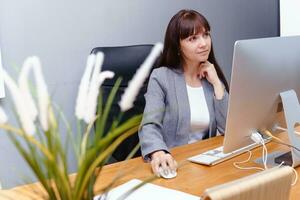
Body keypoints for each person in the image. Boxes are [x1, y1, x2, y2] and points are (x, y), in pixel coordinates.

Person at [138, 9, 229, 177]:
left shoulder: (210, 77)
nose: (204, 43)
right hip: (173, 164)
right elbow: (149, 125)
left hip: (205, 164)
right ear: (178, 45)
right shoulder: (161, 77)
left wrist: (217, 84)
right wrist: (158, 152)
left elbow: (228, 129)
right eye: (193, 38)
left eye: (206, 35)